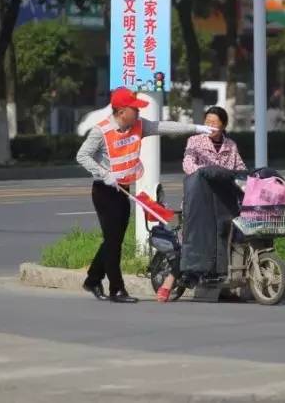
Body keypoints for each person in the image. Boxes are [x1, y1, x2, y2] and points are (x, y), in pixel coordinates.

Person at [76, 87, 213, 303]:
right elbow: (82, 156)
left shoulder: (138, 125)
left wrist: (196, 128)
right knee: (113, 241)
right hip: (104, 191)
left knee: (114, 240)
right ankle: (117, 289)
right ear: (121, 112)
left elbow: (164, 127)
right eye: (135, 109)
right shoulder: (100, 131)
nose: (139, 113)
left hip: (123, 190)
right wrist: (103, 174)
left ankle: (92, 279)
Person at [157, 107, 246, 302]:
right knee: (193, 241)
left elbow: (239, 168)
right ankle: (170, 281)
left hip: (223, 201)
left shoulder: (230, 145)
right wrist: (208, 174)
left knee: (227, 239)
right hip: (199, 200)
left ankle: (223, 285)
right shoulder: (194, 141)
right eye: (208, 122)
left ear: (223, 125)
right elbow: (188, 165)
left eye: (215, 123)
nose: (211, 126)